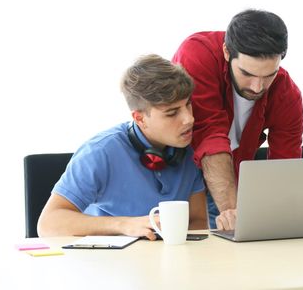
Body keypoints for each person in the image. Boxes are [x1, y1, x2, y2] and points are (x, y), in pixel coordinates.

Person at [38, 55, 208, 240]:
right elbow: (48, 224)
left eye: (188, 105)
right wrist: (125, 224)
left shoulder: (189, 148)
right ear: (140, 118)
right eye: (172, 113)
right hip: (108, 263)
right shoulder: (99, 152)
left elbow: (197, 222)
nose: (189, 119)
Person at [173, 9, 303, 230]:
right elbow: (209, 134)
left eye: (269, 75)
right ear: (226, 51)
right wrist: (234, 215)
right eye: (247, 74)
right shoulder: (198, 53)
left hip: (232, 184)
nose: (257, 87)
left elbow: (285, 167)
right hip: (179, 183)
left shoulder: (287, 94)